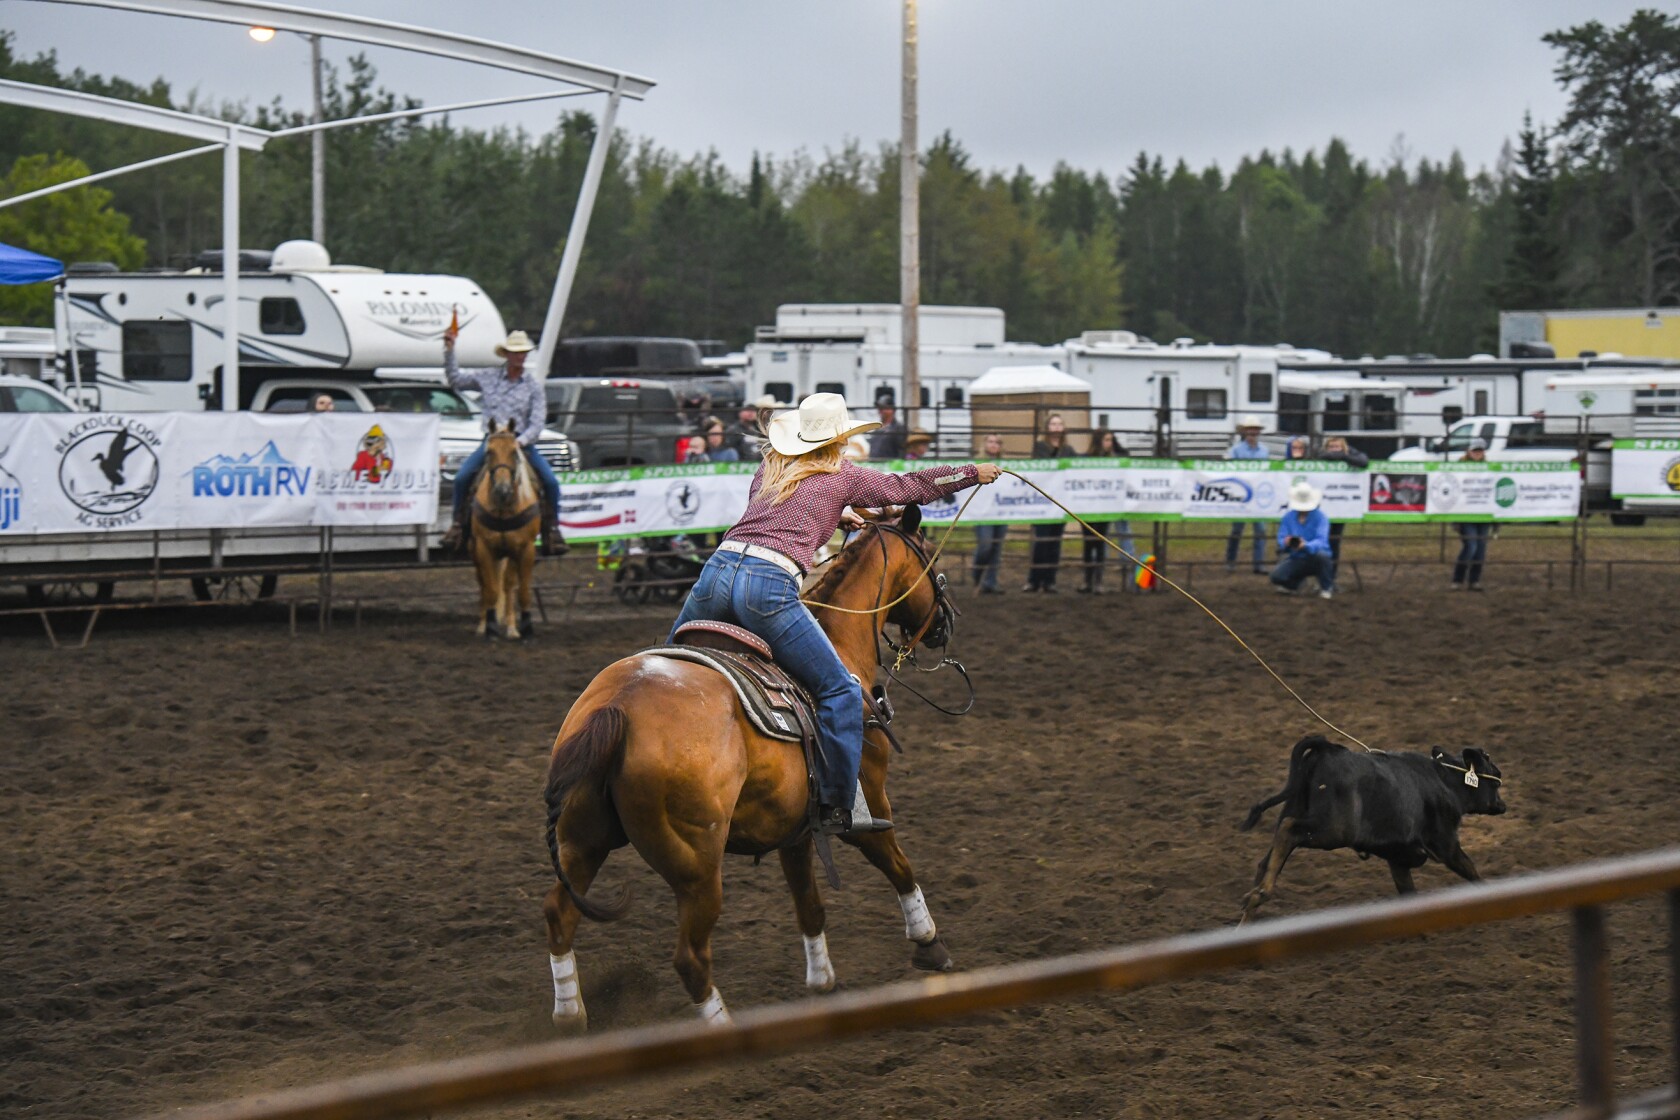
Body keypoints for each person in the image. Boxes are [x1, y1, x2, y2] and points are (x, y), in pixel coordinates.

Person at [667, 392, 1001, 835]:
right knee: (842, 690)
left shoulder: (770, 468)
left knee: (667, 667)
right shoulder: (841, 475)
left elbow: (778, 512)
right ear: (838, 440)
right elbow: (906, 488)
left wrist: (836, 516)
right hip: (766, 587)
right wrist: (970, 473)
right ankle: (837, 806)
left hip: (716, 574)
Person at [439, 328, 566, 556]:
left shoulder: (533, 387)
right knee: (462, 478)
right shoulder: (487, 377)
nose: (520, 357)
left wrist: (522, 441)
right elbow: (456, 380)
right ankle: (458, 525)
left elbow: (537, 422)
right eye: (516, 353)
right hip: (493, 442)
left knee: (550, 482)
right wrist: (449, 351)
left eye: (523, 353)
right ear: (506, 354)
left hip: (521, 444)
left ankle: (552, 529)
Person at [1079, 428, 1133, 594]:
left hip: (1104, 506)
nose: (1110, 444)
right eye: (1106, 440)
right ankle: (1088, 580)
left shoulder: (1114, 459)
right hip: (1088, 506)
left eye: (1110, 440)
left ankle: (1098, 581)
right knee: (1088, 543)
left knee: (1100, 542)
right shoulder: (1085, 459)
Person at [1025, 413, 1074, 592]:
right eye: (1053, 424)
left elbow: (1073, 468)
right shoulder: (1040, 447)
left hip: (1060, 502)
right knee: (1041, 541)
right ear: (1048, 427)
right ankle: (1034, 580)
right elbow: (1042, 467)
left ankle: (1050, 581)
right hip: (1043, 501)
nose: (1056, 427)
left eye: (1059, 424)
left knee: (1054, 542)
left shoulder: (1068, 449)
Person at [1270, 481, 1335, 599]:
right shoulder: (1288, 517)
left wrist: (1306, 545)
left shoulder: (1321, 518)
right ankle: (1296, 584)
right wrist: (1286, 542)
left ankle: (1326, 587)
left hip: (1315, 556)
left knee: (1323, 557)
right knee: (1276, 577)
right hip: (1296, 557)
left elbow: (1321, 540)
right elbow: (1281, 536)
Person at [1226, 415, 1271, 574]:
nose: (1253, 432)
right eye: (1250, 429)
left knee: (1260, 530)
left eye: (1255, 430)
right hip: (1241, 494)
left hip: (1258, 493)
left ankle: (1258, 564)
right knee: (1237, 529)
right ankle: (1230, 562)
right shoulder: (1236, 450)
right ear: (1245, 431)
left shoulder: (1264, 450)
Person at [1320, 435, 1368, 583]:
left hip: (1340, 507)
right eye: (1331, 447)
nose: (1334, 451)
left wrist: (1343, 456)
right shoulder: (1321, 457)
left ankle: (1331, 577)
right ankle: (1320, 576)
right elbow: (1317, 455)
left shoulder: (1350, 455)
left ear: (1344, 448)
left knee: (1334, 542)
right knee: (1321, 541)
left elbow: (1364, 461)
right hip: (1322, 507)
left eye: (1338, 447)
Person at [970, 433, 1009, 594]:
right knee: (985, 545)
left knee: (996, 547)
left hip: (1000, 511)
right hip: (982, 512)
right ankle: (977, 573)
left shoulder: (1006, 465)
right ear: (985, 444)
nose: (994, 445)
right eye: (991, 441)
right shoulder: (976, 465)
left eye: (997, 442)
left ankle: (990, 582)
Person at [1451, 438, 1491, 591]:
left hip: (1483, 515)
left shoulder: (1489, 468)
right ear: (1468, 451)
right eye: (1475, 450)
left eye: (1480, 450)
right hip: (1465, 514)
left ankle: (1474, 580)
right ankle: (1458, 579)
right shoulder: (1460, 467)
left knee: (1480, 550)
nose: (1477, 453)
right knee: (1471, 546)